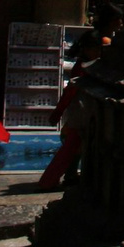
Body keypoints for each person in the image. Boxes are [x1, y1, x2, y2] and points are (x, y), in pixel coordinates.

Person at [36, 32, 103, 190]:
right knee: (71, 148)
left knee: (74, 149)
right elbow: (70, 93)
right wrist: (57, 113)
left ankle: (65, 177)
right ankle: (49, 181)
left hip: (80, 113)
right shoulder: (83, 67)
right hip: (80, 114)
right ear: (88, 49)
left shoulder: (85, 65)